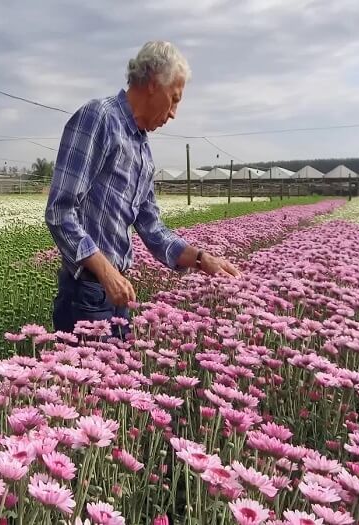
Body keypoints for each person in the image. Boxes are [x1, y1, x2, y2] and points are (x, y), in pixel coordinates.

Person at [45, 41, 240, 338]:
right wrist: (105, 270)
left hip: (117, 292)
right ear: (152, 84)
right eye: (174, 99)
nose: (174, 113)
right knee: (86, 383)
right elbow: (60, 211)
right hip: (86, 293)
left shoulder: (142, 149)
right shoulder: (99, 118)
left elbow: (152, 229)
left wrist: (202, 260)